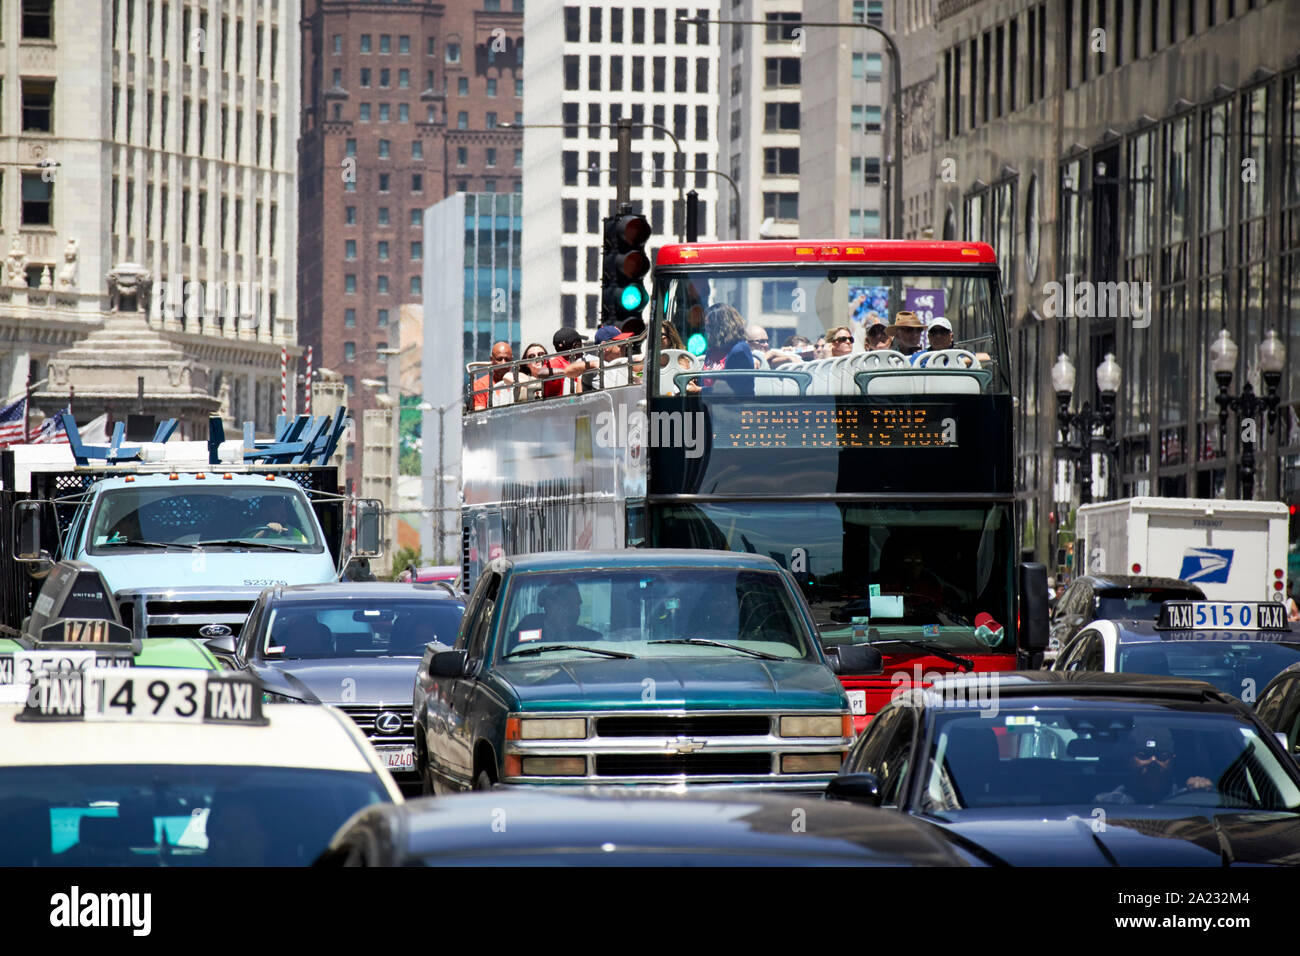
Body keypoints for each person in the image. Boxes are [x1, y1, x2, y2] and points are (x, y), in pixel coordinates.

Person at [1094, 727, 1214, 805]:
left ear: (1172, 761)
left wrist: (1203, 795)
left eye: (1162, 756)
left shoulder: (1190, 799)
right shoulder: (1106, 804)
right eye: (1143, 755)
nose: (1153, 761)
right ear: (1128, 761)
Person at [516, 581, 602, 645]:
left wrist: (564, 635)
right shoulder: (529, 625)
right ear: (549, 606)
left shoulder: (590, 639)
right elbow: (509, 651)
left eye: (578, 605)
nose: (576, 611)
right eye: (569, 605)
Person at [242, 496, 308, 543]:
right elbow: (247, 549)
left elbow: (306, 550)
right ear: (264, 512)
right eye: (276, 508)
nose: (283, 512)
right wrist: (266, 531)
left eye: (283, 508)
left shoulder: (293, 531)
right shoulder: (251, 531)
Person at [472, 341, 514, 410]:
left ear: (512, 360)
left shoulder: (519, 380)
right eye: (499, 359)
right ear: (492, 359)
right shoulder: (481, 385)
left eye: (507, 359)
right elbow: (480, 416)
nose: (503, 363)